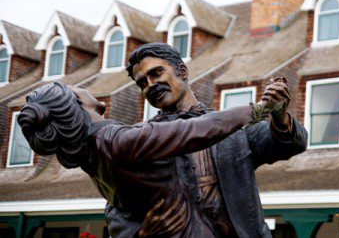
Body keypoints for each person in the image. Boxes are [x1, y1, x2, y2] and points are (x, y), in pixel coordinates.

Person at [18, 82, 276, 237]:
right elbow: (194, 130)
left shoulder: (91, 155)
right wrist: (258, 109)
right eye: (75, 87)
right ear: (76, 101)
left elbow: (119, 212)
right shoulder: (116, 141)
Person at [104, 42, 308, 237]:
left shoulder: (233, 129)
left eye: (156, 73)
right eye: (142, 83)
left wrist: (280, 116)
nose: (151, 85)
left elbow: (291, 144)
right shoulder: (142, 141)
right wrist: (140, 232)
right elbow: (116, 209)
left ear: (182, 71)